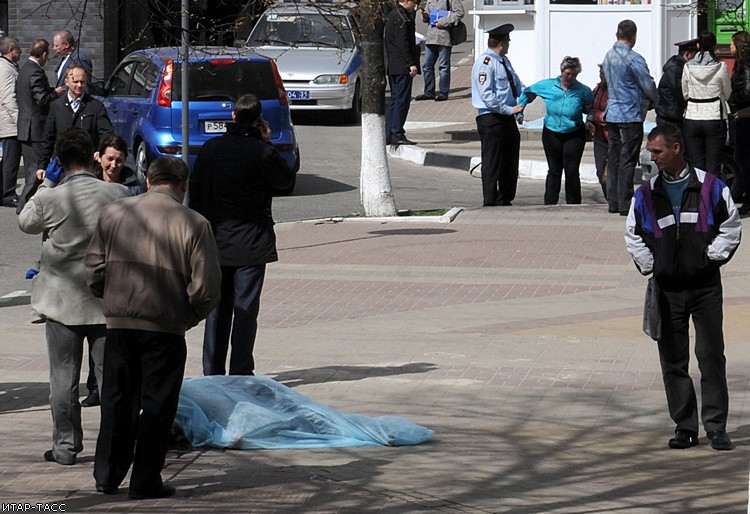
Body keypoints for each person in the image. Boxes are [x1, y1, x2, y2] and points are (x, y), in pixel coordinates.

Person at [86, 156, 220, 499]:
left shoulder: (115, 213)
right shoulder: (195, 223)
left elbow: (93, 269)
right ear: (183, 185)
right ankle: (145, 479)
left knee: (117, 401)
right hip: (166, 328)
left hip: (119, 324)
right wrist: (187, 317)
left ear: (148, 181)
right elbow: (206, 288)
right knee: (157, 406)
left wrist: (111, 299)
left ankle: (107, 474)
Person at [625, 124, 741, 452]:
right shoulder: (645, 194)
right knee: (673, 361)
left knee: (710, 357)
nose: (653, 157)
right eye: (651, 152)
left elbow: (731, 227)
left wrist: (709, 258)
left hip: (705, 288)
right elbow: (633, 234)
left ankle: (716, 427)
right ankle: (685, 427)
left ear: (676, 149)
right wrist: (652, 267)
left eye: (658, 151)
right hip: (667, 291)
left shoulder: (710, 187)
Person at [17, 127, 129, 466]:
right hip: (105, 300)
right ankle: (115, 445)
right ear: (93, 156)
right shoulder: (117, 194)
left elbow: (25, 222)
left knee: (63, 380)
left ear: (60, 161)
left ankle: (65, 447)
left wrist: (46, 184)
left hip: (60, 302)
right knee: (111, 379)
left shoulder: (51, 198)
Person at [189, 94, 294, 376]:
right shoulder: (262, 152)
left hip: (217, 242)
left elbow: (195, 196)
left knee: (216, 311)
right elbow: (286, 181)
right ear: (259, 121)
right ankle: (240, 371)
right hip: (251, 244)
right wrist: (267, 141)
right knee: (245, 311)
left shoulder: (211, 149)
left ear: (233, 117)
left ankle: (212, 372)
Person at [517, 56, 593, 205]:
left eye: (573, 75)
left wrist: (590, 120)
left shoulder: (583, 90)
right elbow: (528, 92)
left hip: (574, 133)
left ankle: (574, 204)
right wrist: (520, 110)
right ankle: (550, 203)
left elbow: (591, 109)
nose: (569, 77)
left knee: (571, 170)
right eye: (567, 74)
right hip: (552, 133)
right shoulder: (548, 85)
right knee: (554, 169)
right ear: (562, 71)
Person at [601, 19, 659, 216]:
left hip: (613, 112)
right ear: (634, 37)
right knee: (627, 159)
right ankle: (625, 203)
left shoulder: (609, 56)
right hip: (630, 113)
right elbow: (647, 84)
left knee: (614, 157)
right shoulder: (633, 58)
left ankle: (613, 201)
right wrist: (656, 101)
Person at [471, 24, 525, 207]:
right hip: (491, 118)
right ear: (502, 43)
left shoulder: (505, 61)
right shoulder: (485, 63)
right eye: (507, 41)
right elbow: (487, 96)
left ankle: (505, 197)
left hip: (507, 117)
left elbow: (516, 84)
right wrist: (510, 110)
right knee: (493, 161)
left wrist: (523, 101)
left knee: (510, 160)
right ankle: (491, 199)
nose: (508, 45)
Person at [37, 65, 113, 177]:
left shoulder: (96, 107)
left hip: (87, 168)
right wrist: (41, 166)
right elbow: (48, 138)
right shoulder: (56, 107)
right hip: (62, 167)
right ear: (67, 82)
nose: (79, 85)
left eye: (82, 82)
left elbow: (106, 134)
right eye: (76, 81)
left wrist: (100, 151)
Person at [15, 39, 63, 214]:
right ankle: (24, 205)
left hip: (25, 126)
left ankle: (28, 205)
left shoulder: (23, 70)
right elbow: (41, 98)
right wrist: (55, 93)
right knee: (36, 171)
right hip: (34, 127)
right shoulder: (35, 71)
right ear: (44, 55)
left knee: (31, 169)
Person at [681, 30, 731, 177]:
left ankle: (697, 198)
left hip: (692, 117)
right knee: (714, 164)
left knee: (696, 165)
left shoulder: (688, 66)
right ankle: (711, 198)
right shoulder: (721, 66)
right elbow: (727, 92)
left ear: (698, 45)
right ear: (714, 46)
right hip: (714, 117)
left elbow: (685, 93)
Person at [385, 0, 420, 146]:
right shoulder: (402, 17)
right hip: (401, 67)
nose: (416, 7)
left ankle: (390, 133)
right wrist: (410, 63)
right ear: (406, 1)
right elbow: (402, 42)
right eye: (415, 3)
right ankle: (396, 132)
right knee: (401, 101)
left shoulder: (394, 15)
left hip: (394, 65)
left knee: (395, 100)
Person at [414, 0, 464, 102]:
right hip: (431, 37)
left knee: (444, 66)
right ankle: (429, 92)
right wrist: (425, 16)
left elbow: (459, 12)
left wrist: (443, 21)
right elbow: (426, 19)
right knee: (427, 65)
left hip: (444, 37)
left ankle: (443, 92)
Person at [728, 31, 750, 215]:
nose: (729, 47)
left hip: (745, 118)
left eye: (732, 44)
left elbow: (746, 92)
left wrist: (739, 109)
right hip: (742, 116)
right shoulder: (741, 65)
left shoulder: (745, 67)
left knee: (745, 162)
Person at [656, 38, 699, 128]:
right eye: (695, 56)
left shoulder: (679, 67)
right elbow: (682, 93)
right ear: (687, 55)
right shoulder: (676, 70)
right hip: (670, 119)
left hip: (673, 117)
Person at [0, 37, 21, 208]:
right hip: (9, 124)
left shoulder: (7, 67)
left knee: (7, 160)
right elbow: (8, 98)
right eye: (18, 49)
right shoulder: (6, 69)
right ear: (11, 50)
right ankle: (8, 194)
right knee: (10, 160)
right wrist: (19, 120)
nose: (20, 52)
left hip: (8, 121)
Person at [588, 64, 609, 197]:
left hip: (614, 137)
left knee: (612, 172)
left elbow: (610, 115)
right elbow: (590, 108)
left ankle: (616, 200)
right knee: (600, 171)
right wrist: (589, 120)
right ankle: (609, 197)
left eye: (604, 73)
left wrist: (595, 116)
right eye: (600, 73)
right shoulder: (597, 89)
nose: (601, 76)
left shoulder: (617, 90)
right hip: (599, 137)